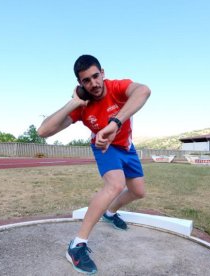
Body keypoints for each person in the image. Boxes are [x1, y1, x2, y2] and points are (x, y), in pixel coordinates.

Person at [38, 54, 151, 274]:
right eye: (86, 81)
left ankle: (110, 213)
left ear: (103, 73)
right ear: (80, 85)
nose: (94, 84)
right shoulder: (83, 105)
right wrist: (73, 102)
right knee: (115, 185)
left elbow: (144, 91)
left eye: (95, 76)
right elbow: (43, 131)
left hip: (126, 146)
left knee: (138, 192)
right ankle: (77, 245)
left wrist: (115, 123)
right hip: (104, 147)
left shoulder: (117, 87)